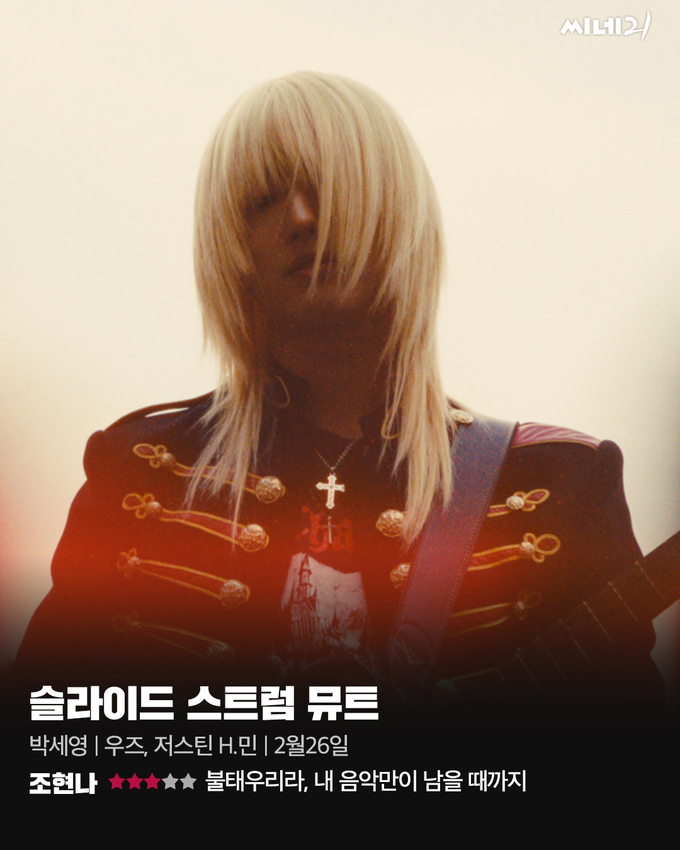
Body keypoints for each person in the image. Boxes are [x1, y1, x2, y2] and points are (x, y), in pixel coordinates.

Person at [15, 71, 664, 720]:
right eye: (264, 199)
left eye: (330, 186)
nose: (301, 218)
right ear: (231, 246)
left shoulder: (560, 482)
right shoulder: (139, 473)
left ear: (396, 211)